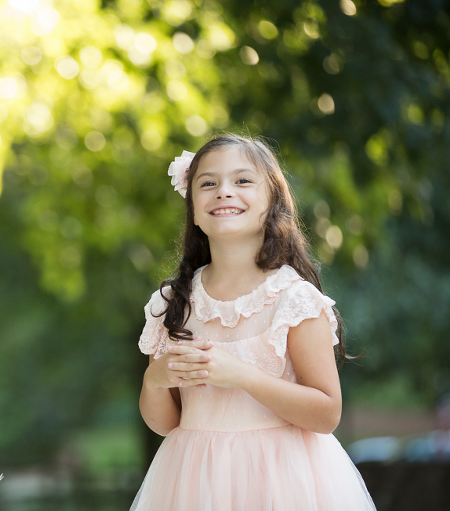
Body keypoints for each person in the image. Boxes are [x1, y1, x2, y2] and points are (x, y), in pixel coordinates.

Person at [131, 133, 377, 510]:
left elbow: (327, 413)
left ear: (272, 202)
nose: (224, 191)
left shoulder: (292, 299)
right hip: (195, 482)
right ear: (193, 211)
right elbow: (166, 424)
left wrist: (242, 376)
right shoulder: (172, 304)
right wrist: (154, 380)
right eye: (208, 183)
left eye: (242, 180)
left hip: (282, 483)